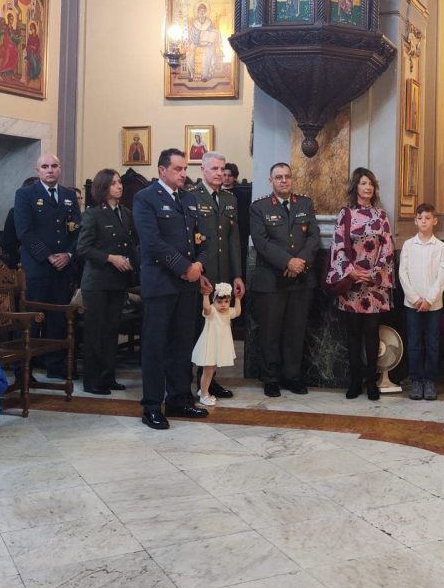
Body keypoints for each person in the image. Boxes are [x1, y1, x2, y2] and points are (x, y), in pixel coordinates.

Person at [132, 147, 210, 430]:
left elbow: (202, 238)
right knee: (156, 346)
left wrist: (199, 265)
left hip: (187, 285)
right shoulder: (145, 198)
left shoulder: (189, 198)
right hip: (161, 285)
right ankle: (152, 405)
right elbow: (152, 242)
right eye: (178, 169)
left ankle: (180, 398)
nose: (183, 174)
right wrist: (184, 267)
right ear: (162, 170)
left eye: (185, 169)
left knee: (182, 344)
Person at [249, 162, 319, 397]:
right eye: (278, 177)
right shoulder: (259, 207)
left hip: (301, 280)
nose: (284, 181)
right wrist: (287, 262)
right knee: (270, 331)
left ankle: (292, 376)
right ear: (271, 181)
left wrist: (299, 263)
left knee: (295, 331)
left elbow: (313, 237)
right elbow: (261, 243)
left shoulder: (305, 204)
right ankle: (270, 378)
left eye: (287, 177)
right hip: (271, 280)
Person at [326, 167, 395, 401]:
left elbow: (387, 248)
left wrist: (373, 273)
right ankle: (354, 381)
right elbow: (337, 246)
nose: (368, 188)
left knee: (372, 333)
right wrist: (351, 272)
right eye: (364, 183)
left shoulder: (381, 216)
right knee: (353, 334)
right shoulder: (345, 214)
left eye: (371, 184)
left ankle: (372, 382)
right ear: (356, 186)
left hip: (374, 285)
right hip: (352, 284)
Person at [13, 154, 80, 381]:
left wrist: (69, 255)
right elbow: (24, 231)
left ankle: (57, 365)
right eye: (45, 167)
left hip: (63, 268)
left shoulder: (69, 196)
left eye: (54, 166)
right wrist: (48, 255)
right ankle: (24, 369)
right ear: (37, 170)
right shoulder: (26, 195)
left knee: (58, 319)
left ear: (60, 169)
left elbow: (77, 230)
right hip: (38, 267)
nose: (50, 170)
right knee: (32, 318)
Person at [76, 168, 136, 396]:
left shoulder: (125, 213)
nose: (119, 186)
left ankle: (108, 376)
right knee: (95, 331)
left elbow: (128, 244)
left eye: (120, 182)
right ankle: (92, 380)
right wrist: (110, 258)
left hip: (117, 281)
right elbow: (83, 248)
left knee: (112, 330)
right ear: (103, 188)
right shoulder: (93, 214)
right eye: (113, 183)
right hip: (97, 281)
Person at [192, 152, 244, 399]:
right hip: (202, 273)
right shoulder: (192, 196)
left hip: (223, 273)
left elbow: (233, 241)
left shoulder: (229, 199)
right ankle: (193, 381)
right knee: (199, 329)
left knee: (219, 329)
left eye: (222, 169)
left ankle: (211, 381)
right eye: (214, 168)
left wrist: (237, 275)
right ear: (203, 169)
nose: (219, 173)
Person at [400, 203, 444, 402]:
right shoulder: (409, 245)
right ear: (415, 221)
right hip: (412, 304)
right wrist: (415, 298)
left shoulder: (440, 247)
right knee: (414, 343)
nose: (424, 222)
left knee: (432, 343)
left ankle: (429, 380)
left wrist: (429, 299)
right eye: (420, 218)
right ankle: (416, 380)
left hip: (433, 305)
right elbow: (403, 273)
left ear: (434, 221)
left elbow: (442, 275)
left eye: (428, 218)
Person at [191, 283, 241, 406]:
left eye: (226, 302)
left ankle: (203, 390)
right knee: (207, 371)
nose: (223, 305)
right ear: (214, 301)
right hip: (210, 345)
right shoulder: (212, 311)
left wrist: (238, 298)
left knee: (211, 370)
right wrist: (206, 296)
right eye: (219, 302)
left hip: (219, 346)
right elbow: (206, 309)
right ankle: (203, 395)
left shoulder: (228, 312)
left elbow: (238, 312)